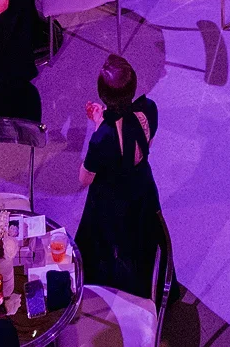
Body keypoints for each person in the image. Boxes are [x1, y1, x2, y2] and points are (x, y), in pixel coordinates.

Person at [77, 57, 163, 296]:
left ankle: (105, 291)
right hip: (143, 187)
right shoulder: (149, 109)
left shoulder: (102, 137)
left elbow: (84, 179)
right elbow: (145, 145)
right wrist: (102, 120)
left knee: (103, 245)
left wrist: (98, 124)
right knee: (144, 240)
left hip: (111, 197)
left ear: (103, 96)